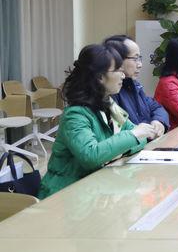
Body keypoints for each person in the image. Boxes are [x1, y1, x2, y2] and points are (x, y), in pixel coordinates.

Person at [38, 45, 156, 198]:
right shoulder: (75, 115)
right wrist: (131, 137)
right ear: (100, 77)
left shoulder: (109, 104)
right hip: (64, 194)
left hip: (95, 188)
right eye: (118, 70)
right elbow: (91, 156)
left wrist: (122, 145)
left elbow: (140, 138)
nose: (123, 75)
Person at [103, 35, 169, 136]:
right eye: (135, 58)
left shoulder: (134, 86)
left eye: (139, 58)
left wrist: (158, 121)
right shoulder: (111, 92)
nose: (140, 65)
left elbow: (156, 107)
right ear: (117, 60)